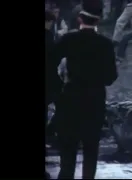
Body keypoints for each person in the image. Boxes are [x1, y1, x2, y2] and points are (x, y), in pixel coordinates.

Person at [52, 0, 118, 178]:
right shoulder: (106, 44)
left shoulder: (68, 39)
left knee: (68, 152)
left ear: (80, 18)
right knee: (90, 151)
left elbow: (50, 63)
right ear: (98, 21)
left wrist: (59, 87)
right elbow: (111, 77)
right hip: (95, 101)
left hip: (70, 98)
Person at [45, 10, 62, 180]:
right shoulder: (48, 37)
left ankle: (50, 132)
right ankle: (51, 132)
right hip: (50, 80)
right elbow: (54, 57)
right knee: (62, 105)